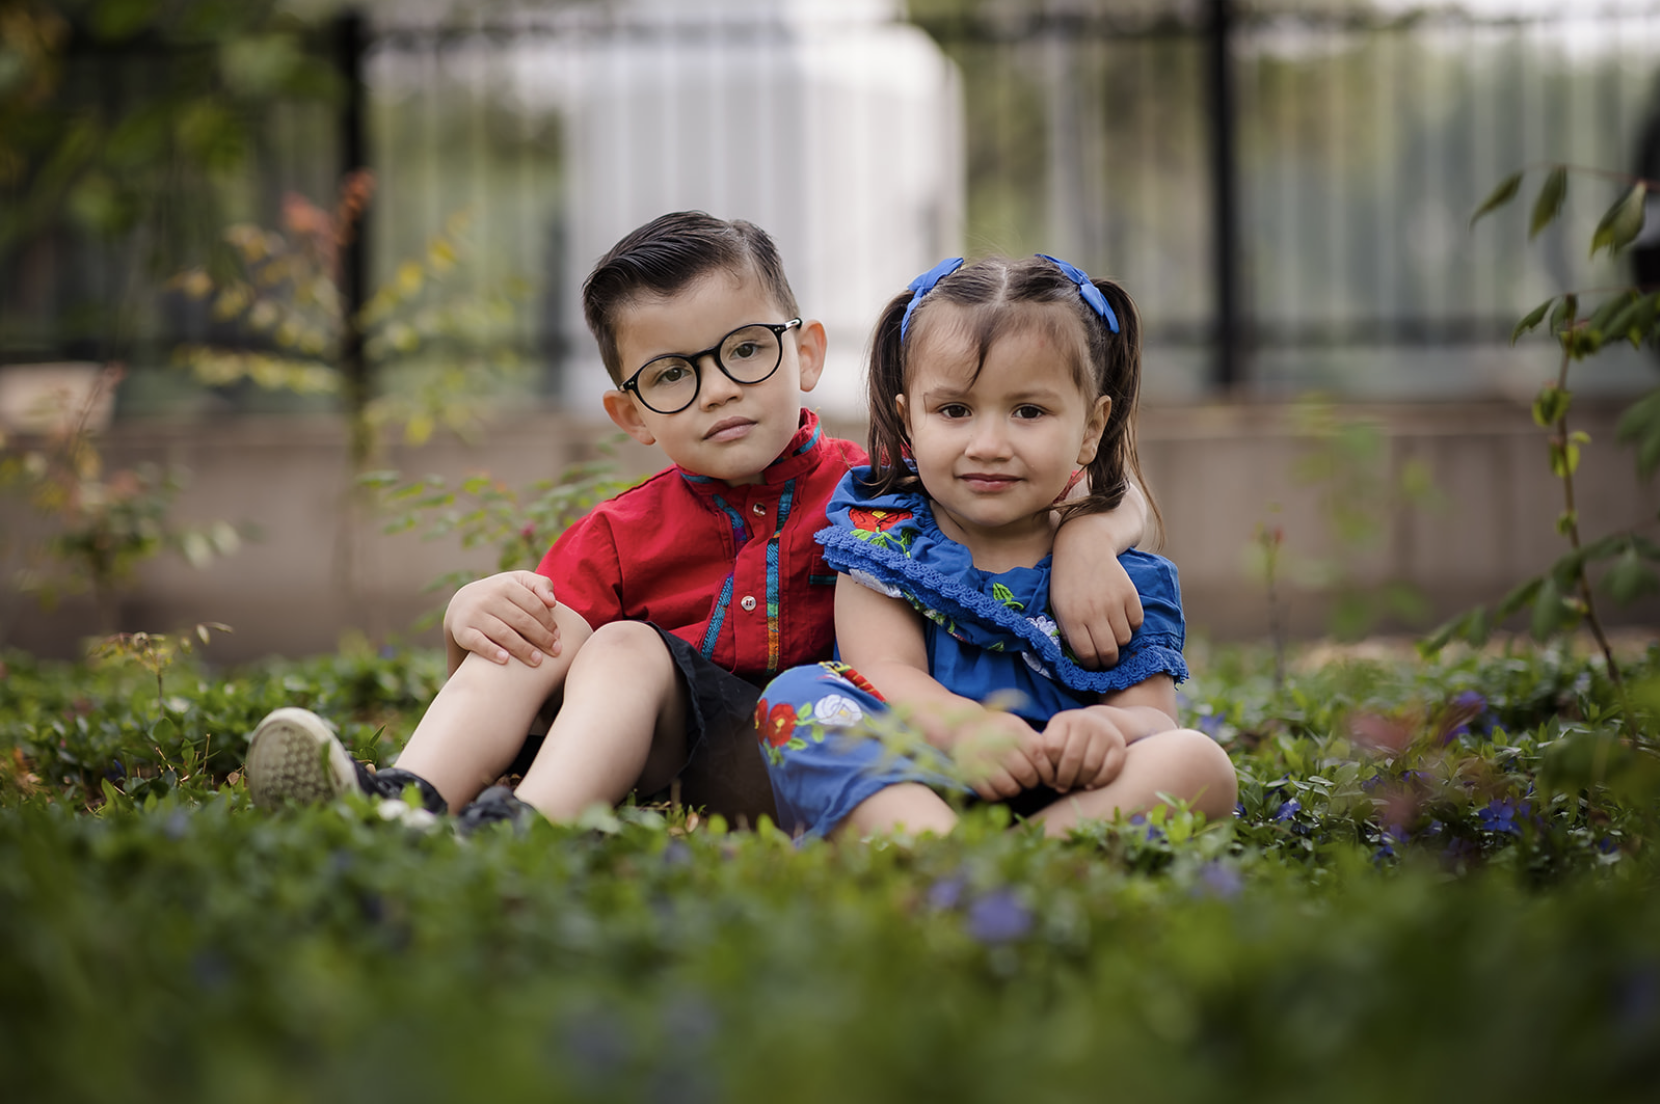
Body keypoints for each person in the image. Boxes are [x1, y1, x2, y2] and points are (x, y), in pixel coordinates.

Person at [243, 214, 1153, 831]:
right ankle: (429, 804)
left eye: (746, 352)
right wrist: (468, 613)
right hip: (694, 758)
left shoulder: (882, 485)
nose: (717, 388)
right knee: (587, 632)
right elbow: (523, 662)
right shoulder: (620, 530)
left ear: (804, 354)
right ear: (631, 415)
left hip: (851, 746)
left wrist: (1086, 538)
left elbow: (1097, 487)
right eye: (673, 374)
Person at [756, 254, 1237, 840]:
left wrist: (1111, 731)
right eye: (954, 410)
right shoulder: (885, 541)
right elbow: (883, 670)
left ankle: (1020, 856)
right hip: (926, 771)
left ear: (1091, 428)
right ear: (910, 421)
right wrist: (966, 729)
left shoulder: (1120, 577)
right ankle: (937, 844)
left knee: (1198, 762)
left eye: (1028, 411)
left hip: (1065, 785)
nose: (987, 444)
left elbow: (1155, 716)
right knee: (800, 700)